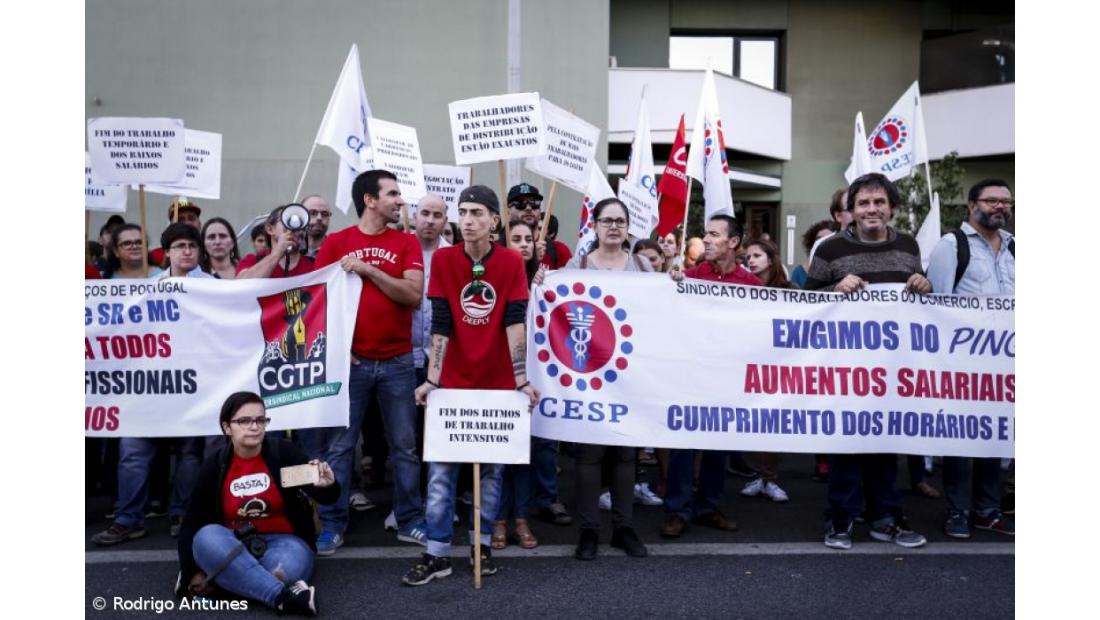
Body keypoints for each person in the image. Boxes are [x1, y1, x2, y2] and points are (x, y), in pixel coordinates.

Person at [401, 185, 537, 586]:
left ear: (494, 220)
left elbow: (514, 322)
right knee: (441, 475)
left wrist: (521, 379)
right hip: (452, 386)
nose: (468, 219)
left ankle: (482, 547)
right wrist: (432, 379)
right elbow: (441, 324)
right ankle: (437, 553)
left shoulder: (510, 261)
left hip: (497, 386)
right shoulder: (445, 259)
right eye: (463, 212)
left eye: (477, 212)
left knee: (491, 475)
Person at [804, 172, 930, 550]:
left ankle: (884, 518)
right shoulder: (829, 250)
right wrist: (834, 287)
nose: (871, 209)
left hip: (893, 367)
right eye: (863, 203)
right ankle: (840, 518)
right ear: (851, 210)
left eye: (879, 202)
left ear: (892, 208)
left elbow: (922, 303)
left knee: (887, 445)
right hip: (844, 367)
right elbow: (805, 303)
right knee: (846, 446)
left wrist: (924, 285)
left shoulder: (908, 246)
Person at [311, 170, 426, 555]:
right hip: (351, 364)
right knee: (340, 448)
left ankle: (409, 520)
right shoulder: (337, 243)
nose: (400, 201)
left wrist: (369, 269)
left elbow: (413, 295)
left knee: (405, 447)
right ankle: (332, 523)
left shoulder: (406, 242)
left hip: (398, 361)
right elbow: (319, 302)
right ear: (370, 200)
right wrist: (336, 348)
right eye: (392, 193)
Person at [175, 392, 338, 616]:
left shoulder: (282, 453)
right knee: (206, 536)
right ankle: (283, 597)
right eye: (244, 420)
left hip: (285, 542)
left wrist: (327, 485)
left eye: (260, 420)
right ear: (227, 427)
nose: (254, 427)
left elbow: (326, 496)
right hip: (232, 542)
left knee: (283, 570)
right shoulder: (216, 464)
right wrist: (190, 570)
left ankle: (221, 582)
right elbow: (191, 525)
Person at [562, 198, 651, 560]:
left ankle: (623, 528)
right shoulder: (578, 265)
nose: (613, 227)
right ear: (595, 226)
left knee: (626, 455)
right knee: (589, 455)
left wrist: (675, 283)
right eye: (606, 220)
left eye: (620, 221)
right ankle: (589, 530)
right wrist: (541, 281)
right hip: (590, 375)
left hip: (630, 374)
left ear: (628, 227)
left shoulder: (643, 266)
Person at [926, 178, 1015, 539]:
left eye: (1006, 201)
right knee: (961, 439)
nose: (1000, 207)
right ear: (972, 206)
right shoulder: (952, 246)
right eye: (991, 200)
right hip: (962, 363)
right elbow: (937, 305)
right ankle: (958, 510)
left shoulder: (1014, 247)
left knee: (995, 436)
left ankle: (988, 510)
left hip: (1004, 365)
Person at [662, 215, 761, 540]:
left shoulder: (752, 286)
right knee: (683, 445)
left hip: (727, 377)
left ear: (733, 242)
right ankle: (677, 510)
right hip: (689, 375)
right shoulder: (690, 277)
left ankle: (708, 506)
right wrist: (671, 284)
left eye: (714, 234)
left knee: (718, 445)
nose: (705, 239)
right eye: (705, 233)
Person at [491, 219, 547, 550]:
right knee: (500, 451)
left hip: (533, 375)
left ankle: (522, 519)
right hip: (500, 373)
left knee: (525, 454)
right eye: (516, 238)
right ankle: (498, 519)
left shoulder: (546, 280)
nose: (524, 244)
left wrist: (541, 288)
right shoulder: (493, 276)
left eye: (528, 238)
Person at [739, 238, 794, 503]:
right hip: (750, 362)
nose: (751, 260)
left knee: (773, 423)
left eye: (757, 255)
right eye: (748, 256)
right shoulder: (741, 287)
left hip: (779, 363)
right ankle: (760, 476)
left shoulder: (789, 289)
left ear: (771, 260)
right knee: (754, 424)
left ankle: (770, 478)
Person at [237, 205, 315, 279]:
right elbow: (241, 283)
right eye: (285, 220)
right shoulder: (252, 260)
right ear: (270, 229)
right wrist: (277, 254)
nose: (293, 227)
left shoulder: (313, 264)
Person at [508, 182, 572, 269]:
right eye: (521, 203)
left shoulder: (559, 250)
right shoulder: (496, 250)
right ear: (507, 211)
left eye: (534, 203)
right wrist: (531, 260)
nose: (529, 208)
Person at [150, 198, 203, 267]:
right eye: (180, 219)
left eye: (191, 218)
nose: (187, 223)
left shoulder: (211, 252)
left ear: (200, 224)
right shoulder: (156, 256)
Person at [789, 220, 839, 288]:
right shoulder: (799, 273)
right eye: (819, 239)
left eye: (828, 239)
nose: (822, 242)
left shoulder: (842, 272)